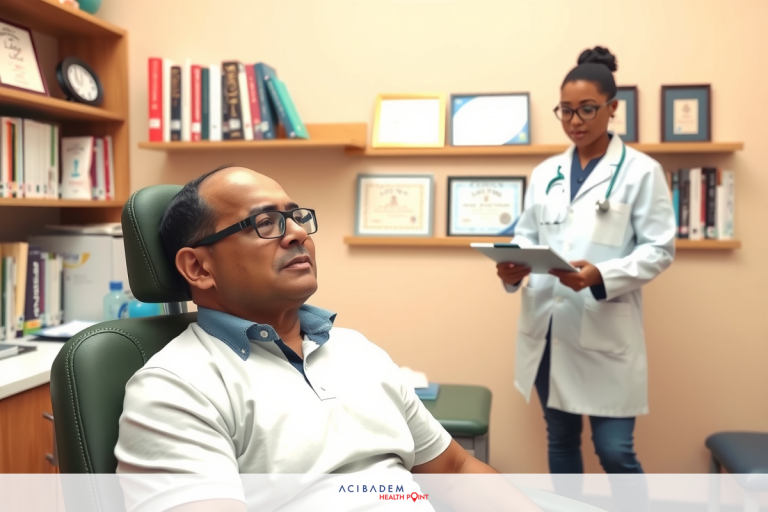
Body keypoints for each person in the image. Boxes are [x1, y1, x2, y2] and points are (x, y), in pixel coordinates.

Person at [114, 166, 542, 512]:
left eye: (297, 217)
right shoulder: (175, 387)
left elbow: (455, 470)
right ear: (198, 268)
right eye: (265, 223)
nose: (299, 233)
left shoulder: (356, 349)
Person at [496, 47, 676, 508]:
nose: (575, 120)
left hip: (603, 324)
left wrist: (602, 275)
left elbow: (659, 250)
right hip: (548, 328)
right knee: (560, 441)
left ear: (613, 108)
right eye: (566, 111)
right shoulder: (545, 173)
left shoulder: (641, 172)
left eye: (587, 109)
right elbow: (526, 236)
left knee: (615, 450)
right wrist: (512, 267)